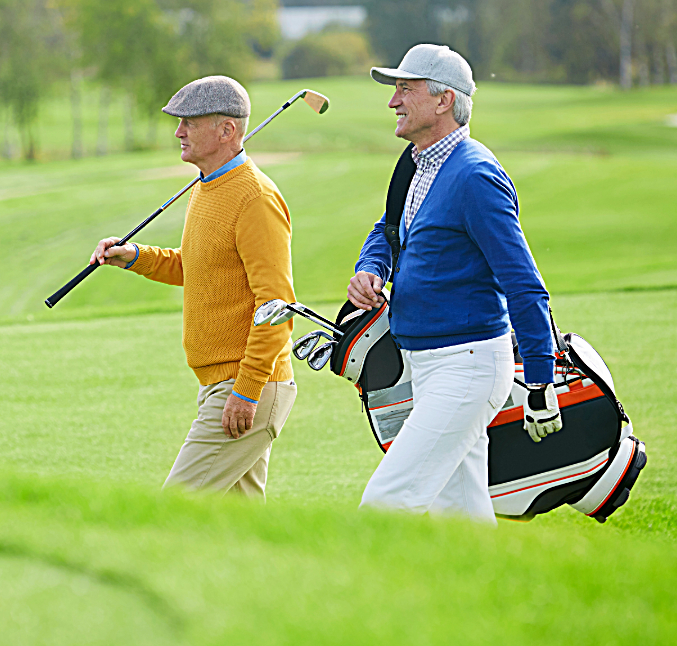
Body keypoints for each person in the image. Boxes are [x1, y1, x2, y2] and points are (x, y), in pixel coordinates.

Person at [348, 44, 562, 524]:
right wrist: (371, 268)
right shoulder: (416, 162)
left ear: (444, 100)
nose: (392, 101)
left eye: (405, 88)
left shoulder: (475, 176)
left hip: (467, 367)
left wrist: (542, 382)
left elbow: (524, 285)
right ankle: (485, 598)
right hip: (428, 364)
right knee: (460, 518)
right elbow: (387, 228)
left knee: (385, 504)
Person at [91, 75, 297, 498]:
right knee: (236, 534)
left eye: (190, 122)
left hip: (246, 385)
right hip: (222, 385)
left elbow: (277, 304)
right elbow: (197, 267)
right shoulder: (206, 188)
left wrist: (246, 388)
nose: (178, 131)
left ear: (226, 130)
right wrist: (133, 256)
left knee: (174, 510)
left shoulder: (255, 197)